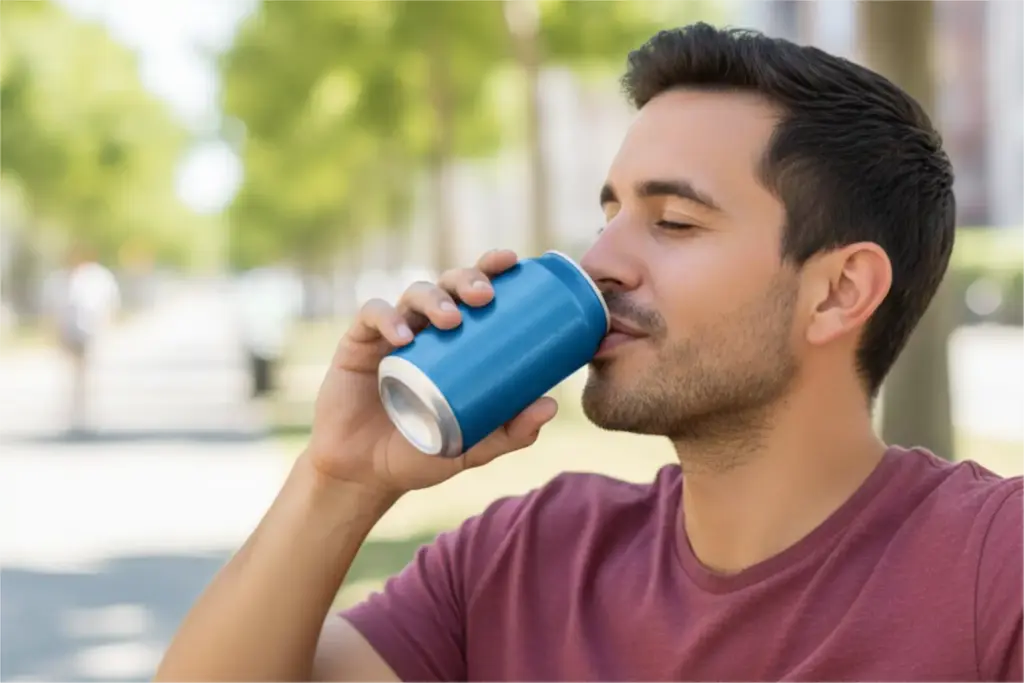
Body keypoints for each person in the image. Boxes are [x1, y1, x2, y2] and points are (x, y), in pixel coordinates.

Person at [155, 24, 1022, 682]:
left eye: (673, 222)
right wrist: (340, 480)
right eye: (609, 214)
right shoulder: (526, 559)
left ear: (838, 292)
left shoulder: (992, 567)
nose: (597, 259)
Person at [44, 245, 120, 432]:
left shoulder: (99, 278)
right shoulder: (59, 279)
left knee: (87, 374)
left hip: (91, 333)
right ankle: (71, 414)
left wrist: (107, 329)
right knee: (72, 374)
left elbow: (110, 305)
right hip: (68, 333)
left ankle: (88, 414)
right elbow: (51, 309)